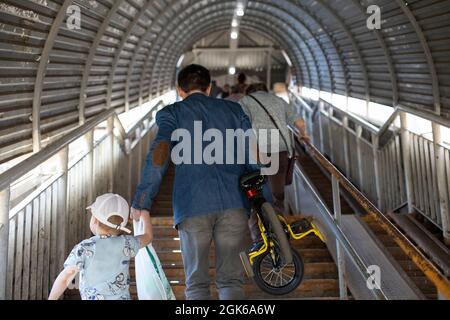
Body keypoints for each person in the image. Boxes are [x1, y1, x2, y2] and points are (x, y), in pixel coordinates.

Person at [131, 64, 260, 300]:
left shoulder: (172, 113)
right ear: (209, 88)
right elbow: (253, 155)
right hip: (234, 203)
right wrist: (262, 198)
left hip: (192, 205)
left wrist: (143, 199)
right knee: (231, 280)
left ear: (180, 90)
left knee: (197, 284)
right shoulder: (234, 111)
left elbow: (159, 155)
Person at [239, 83, 310, 252]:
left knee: (254, 196)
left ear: (249, 92)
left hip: (258, 152)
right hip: (281, 152)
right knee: (277, 197)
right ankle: (281, 238)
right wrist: (303, 135)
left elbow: (241, 127)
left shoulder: (245, 101)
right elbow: (299, 121)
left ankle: (259, 240)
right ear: (264, 90)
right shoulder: (278, 101)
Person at [48, 193, 153, 300]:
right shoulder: (127, 243)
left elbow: (66, 276)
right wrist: (145, 213)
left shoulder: (85, 247)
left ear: (95, 220)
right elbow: (148, 237)